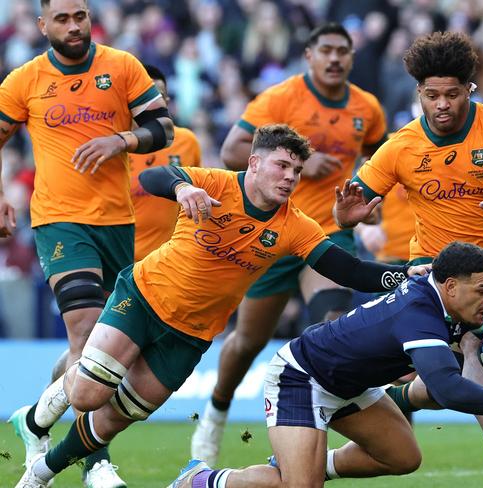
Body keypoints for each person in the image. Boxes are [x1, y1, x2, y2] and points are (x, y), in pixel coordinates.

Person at [15, 124, 429, 488]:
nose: (290, 178)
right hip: (142, 297)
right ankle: (37, 418)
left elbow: (349, 270)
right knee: (88, 395)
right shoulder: (214, 184)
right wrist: (182, 187)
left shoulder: (294, 225)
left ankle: (39, 476)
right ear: (253, 162)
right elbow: (158, 175)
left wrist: (403, 274)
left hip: (191, 335)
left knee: (111, 420)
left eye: (297, 171)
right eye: (282, 166)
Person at [332, 31, 483, 485]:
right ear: (419, 92)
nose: (442, 104)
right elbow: (356, 202)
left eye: (452, 94)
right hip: (430, 277)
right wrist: (349, 216)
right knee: (474, 346)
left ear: (469, 90)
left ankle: (386, 403)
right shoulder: (401, 146)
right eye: (432, 94)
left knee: (443, 388)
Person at [168, 241, 483, 488]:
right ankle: (203, 479)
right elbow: (449, 388)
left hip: (349, 385)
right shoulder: (419, 313)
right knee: (298, 486)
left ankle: (302, 459)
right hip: (302, 377)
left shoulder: (447, 300)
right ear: (451, 286)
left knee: (402, 458)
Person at [191, 22, 387, 465]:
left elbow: (380, 160)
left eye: (343, 51)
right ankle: (216, 413)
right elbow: (231, 152)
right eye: (327, 50)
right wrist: (303, 163)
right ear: (309, 56)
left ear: (352, 58)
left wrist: (373, 207)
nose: (335, 58)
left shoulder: (367, 108)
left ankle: (307, 434)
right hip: (274, 233)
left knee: (331, 326)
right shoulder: (281, 99)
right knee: (246, 341)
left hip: (326, 234)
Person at [0, 0, 173, 486]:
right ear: (42, 25)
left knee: (103, 346)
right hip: (58, 221)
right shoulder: (24, 80)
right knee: (88, 333)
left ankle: (35, 418)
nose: (74, 26)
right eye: (62, 19)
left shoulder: (121, 66)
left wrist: (122, 141)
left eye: (80, 16)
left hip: (118, 223)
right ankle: (95, 461)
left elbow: (163, 127)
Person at [130, 64, 201, 262]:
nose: (150, 103)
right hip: (124, 263)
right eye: (143, 96)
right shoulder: (115, 145)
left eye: (158, 96)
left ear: (167, 101)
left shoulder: (187, 142)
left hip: (173, 261)